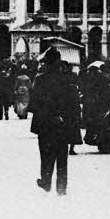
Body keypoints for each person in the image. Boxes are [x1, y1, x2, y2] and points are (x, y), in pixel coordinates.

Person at [28, 49, 80, 195]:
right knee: (62, 156)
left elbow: (33, 105)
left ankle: (46, 181)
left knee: (46, 155)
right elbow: (73, 104)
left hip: (45, 125)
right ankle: (61, 187)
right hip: (62, 124)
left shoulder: (40, 80)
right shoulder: (67, 80)